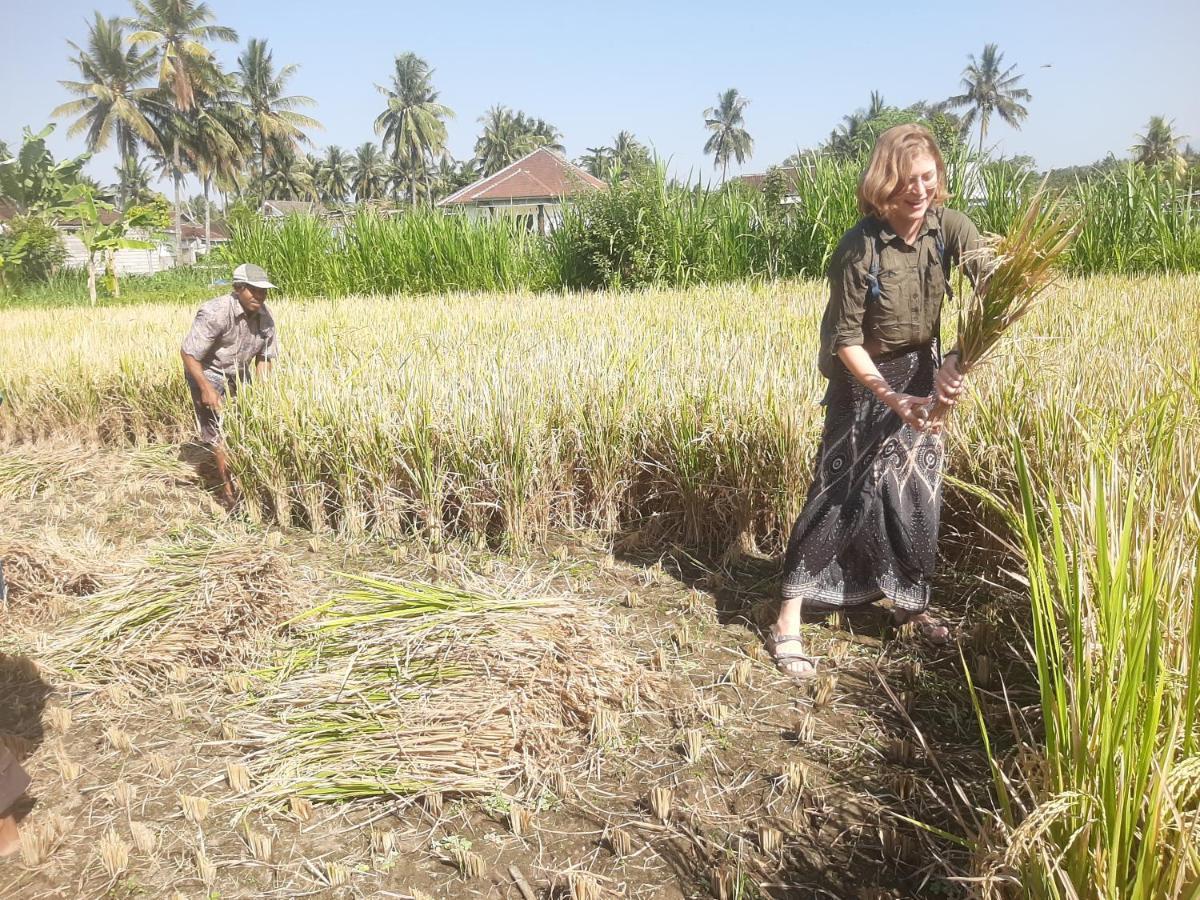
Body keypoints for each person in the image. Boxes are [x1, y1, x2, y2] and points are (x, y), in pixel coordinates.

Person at [771, 124, 984, 681]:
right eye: (905, 181)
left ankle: (909, 604)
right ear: (882, 183)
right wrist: (893, 397)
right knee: (841, 488)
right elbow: (843, 341)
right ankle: (788, 614)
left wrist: (956, 361)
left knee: (916, 487)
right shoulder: (859, 247)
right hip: (862, 378)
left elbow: (994, 289)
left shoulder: (948, 228)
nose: (918, 191)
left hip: (926, 368)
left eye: (927, 178)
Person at [180, 263, 279, 508]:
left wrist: (262, 392)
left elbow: (265, 357)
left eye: (263, 291)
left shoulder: (265, 317)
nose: (259, 296)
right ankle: (230, 493)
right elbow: (189, 354)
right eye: (253, 291)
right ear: (238, 288)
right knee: (221, 434)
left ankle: (250, 480)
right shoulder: (215, 312)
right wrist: (206, 388)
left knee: (246, 427)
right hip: (208, 372)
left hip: (239, 372)